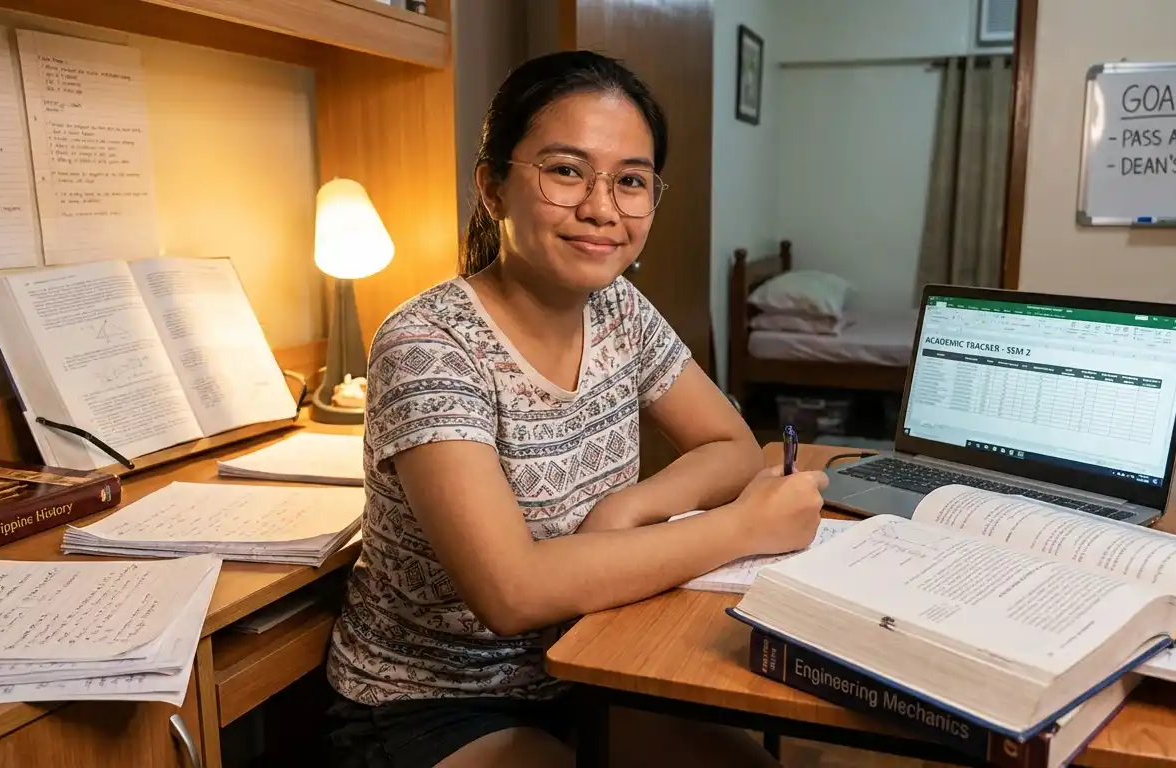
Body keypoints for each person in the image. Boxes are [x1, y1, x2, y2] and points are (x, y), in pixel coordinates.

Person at [324, 50, 830, 768]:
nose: (601, 208)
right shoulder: (427, 343)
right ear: (493, 188)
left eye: (631, 181)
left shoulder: (617, 306)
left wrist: (629, 511)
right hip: (435, 702)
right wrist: (743, 526)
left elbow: (729, 444)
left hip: (590, 659)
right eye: (565, 170)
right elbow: (513, 592)